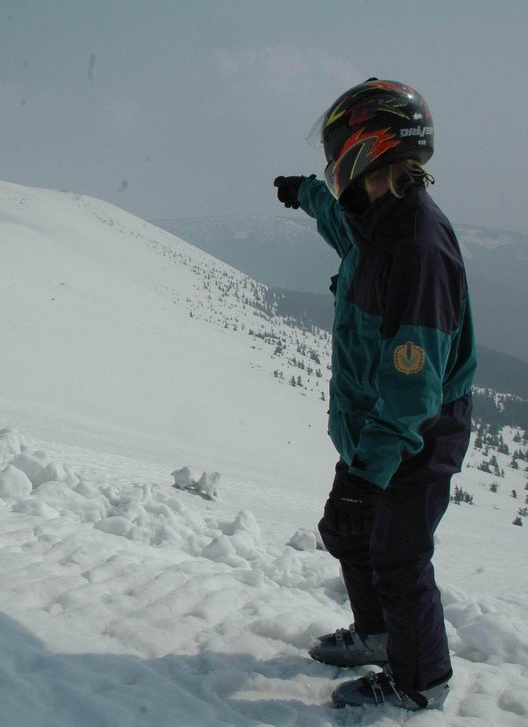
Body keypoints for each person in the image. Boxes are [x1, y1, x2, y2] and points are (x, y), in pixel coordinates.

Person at [273, 79, 477, 710]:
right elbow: (341, 217)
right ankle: (380, 635)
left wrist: (371, 472)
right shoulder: (376, 216)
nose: (333, 166)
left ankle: (420, 684)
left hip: (415, 430)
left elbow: (414, 386)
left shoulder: (416, 245)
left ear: (368, 146)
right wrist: (304, 195)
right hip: (372, 426)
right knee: (348, 532)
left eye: (335, 152)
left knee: (399, 556)